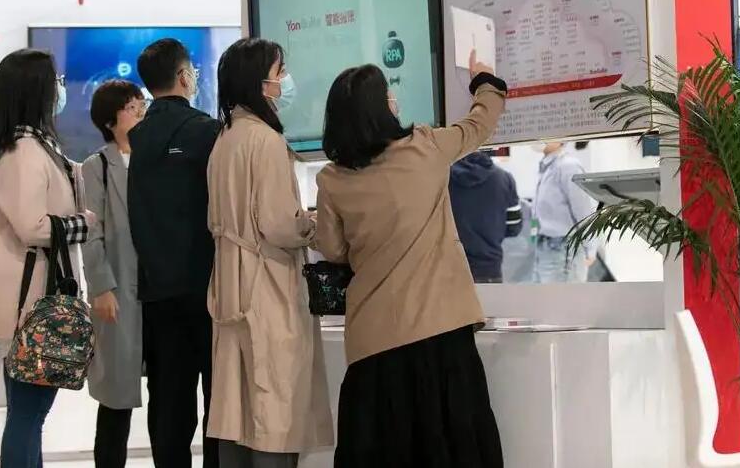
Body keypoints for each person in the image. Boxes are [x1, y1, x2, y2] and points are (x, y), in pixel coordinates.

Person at [315, 53, 507, 468]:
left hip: (374, 340)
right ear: (381, 107)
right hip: (442, 331)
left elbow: (332, 248)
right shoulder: (426, 146)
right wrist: (484, 82)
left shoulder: (332, 178)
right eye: (388, 93)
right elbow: (480, 124)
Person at [206, 38, 332, 468]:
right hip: (266, 283)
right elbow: (278, 224)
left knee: (236, 411)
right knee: (273, 405)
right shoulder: (266, 140)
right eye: (280, 73)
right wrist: (312, 225)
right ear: (259, 83)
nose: (285, 81)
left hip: (230, 282)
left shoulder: (226, 138)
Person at [0, 49, 95, 468]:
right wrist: (83, 223)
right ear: (37, 89)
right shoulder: (23, 151)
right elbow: (32, 226)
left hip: (28, 302)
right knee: (28, 415)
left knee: (27, 414)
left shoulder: (25, 145)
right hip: (32, 305)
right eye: (56, 81)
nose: (61, 89)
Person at [128, 39, 220, 468]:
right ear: (184, 77)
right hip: (207, 288)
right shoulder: (207, 131)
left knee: (168, 405)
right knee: (218, 402)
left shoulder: (138, 137)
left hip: (157, 292)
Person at [82, 80, 146, 468]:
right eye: (131, 107)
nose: (140, 111)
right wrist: (102, 287)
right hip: (119, 292)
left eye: (141, 103)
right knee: (116, 398)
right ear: (110, 120)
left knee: (169, 395)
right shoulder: (98, 167)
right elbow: (92, 234)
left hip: (158, 290)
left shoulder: (155, 158)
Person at [531, 142, 603, 283]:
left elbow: (582, 210)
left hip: (564, 250)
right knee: (543, 295)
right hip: (544, 246)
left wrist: (591, 248)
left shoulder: (568, 166)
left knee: (564, 296)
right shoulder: (547, 166)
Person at [449, 151, 522, 283]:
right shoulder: (504, 178)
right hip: (489, 268)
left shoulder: (442, 179)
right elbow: (514, 227)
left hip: (449, 267)